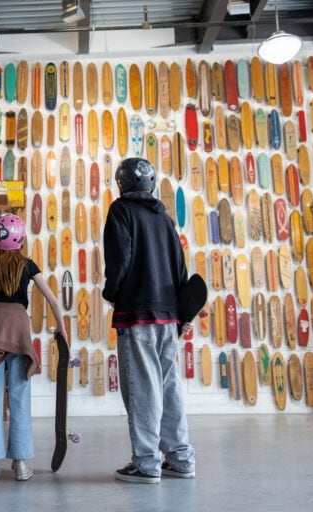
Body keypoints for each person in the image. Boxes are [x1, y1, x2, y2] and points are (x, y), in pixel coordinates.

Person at [102, 157, 196, 484]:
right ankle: (181, 458)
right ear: (151, 183)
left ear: (121, 184)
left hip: (137, 313)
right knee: (168, 387)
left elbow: (120, 260)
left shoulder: (120, 211)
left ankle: (146, 463)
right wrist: (183, 314)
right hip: (169, 315)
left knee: (143, 389)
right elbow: (180, 267)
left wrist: (111, 292)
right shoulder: (165, 218)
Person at [0, 213, 66, 483]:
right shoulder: (27, 265)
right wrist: (61, 327)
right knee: (19, 395)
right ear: (21, 239)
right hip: (19, 329)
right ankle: (21, 462)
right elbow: (51, 299)